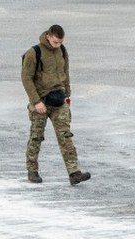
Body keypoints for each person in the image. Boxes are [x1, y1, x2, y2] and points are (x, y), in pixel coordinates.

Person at [20, 25, 90, 186]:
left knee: (65, 136)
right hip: (41, 102)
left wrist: (67, 94)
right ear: (48, 36)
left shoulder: (62, 51)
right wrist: (36, 101)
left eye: (60, 42)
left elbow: (65, 73)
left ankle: (74, 172)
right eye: (55, 42)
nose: (58, 45)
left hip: (59, 100)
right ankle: (32, 170)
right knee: (36, 137)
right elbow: (26, 78)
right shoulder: (34, 53)